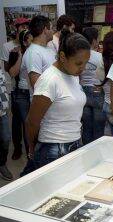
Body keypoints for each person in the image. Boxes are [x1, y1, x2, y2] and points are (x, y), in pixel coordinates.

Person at [25, 30, 90, 170]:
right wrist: (32, 149)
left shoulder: (72, 74)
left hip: (75, 141)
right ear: (62, 56)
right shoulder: (49, 80)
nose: (83, 68)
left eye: (85, 63)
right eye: (79, 63)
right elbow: (32, 122)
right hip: (53, 149)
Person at [0, 17, 30, 160]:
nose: (24, 28)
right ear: (16, 28)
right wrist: (15, 55)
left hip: (29, 89)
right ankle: (17, 148)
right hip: (14, 88)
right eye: (21, 26)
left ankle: (29, 148)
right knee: (17, 120)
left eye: (26, 26)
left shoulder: (30, 46)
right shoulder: (8, 46)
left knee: (27, 120)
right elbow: (7, 69)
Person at [7, 30, 33, 159]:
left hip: (33, 92)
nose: (32, 41)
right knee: (23, 123)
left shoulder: (37, 53)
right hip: (21, 93)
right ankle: (23, 151)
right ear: (24, 41)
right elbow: (12, 73)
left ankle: (30, 152)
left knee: (29, 124)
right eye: (30, 39)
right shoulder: (17, 53)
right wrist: (21, 55)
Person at [80, 27, 106, 144]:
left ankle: (86, 152)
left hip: (83, 92)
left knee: (86, 127)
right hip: (97, 91)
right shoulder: (100, 57)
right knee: (98, 128)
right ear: (94, 40)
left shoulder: (79, 56)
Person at [22, 15, 56, 92]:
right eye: (51, 28)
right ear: (45, 29)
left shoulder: (49, 49)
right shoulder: (33, 52)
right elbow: (37, 85)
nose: (53, 31)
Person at [0, 69, 13, 180]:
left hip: (2, 112)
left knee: (6, 139)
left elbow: (2, 86)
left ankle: (2, 164)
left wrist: (5, 105)